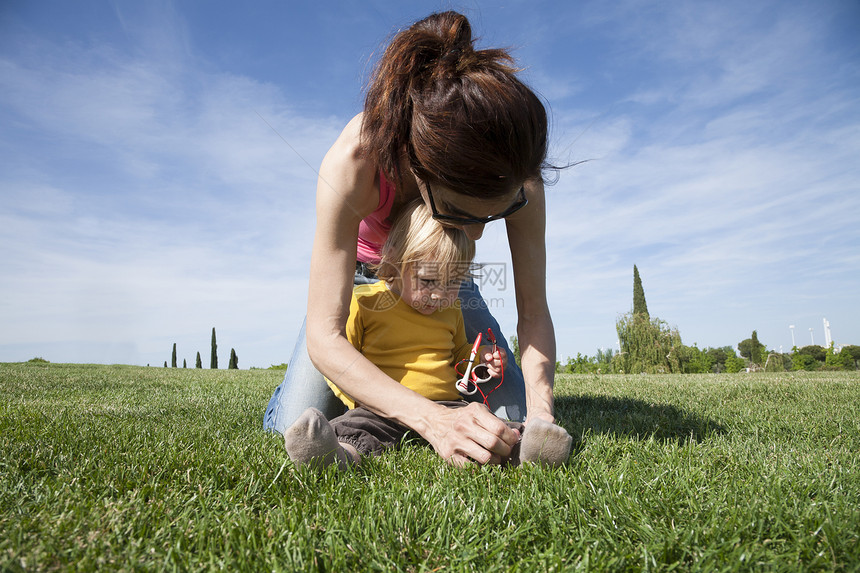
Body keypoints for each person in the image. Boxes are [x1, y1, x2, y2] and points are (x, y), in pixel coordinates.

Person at [264, 10, 558, 467]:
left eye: (493, 214)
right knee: (296, 421)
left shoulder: (520, 180)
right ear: (420, 167)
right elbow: (326, 335)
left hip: (442, 278)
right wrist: (435, 421)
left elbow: (533, 311)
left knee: (511, 410)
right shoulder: (353, 163)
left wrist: (540, 416)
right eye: (459, 213)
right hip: (366, 281)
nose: (478, 233)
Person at [283, 201, 572, 469]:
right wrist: (355, 402)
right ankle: (336, 457)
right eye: (428, 280)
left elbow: (459, 352)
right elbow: (341, 361)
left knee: (487, 425)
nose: (438, 294)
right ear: (395, 262)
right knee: (354, 432)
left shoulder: (451, 309)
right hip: (379, 409)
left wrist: (481, 356)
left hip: (449, 404)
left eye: (452, 282)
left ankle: (528, 449)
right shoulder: (364, 304)